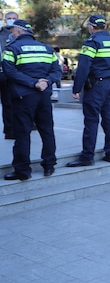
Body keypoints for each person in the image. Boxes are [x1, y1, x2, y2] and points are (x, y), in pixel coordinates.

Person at [2, 20, 61, 181]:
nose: (11, 34)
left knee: (22, 133)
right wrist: (46, 82)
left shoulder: (12, 48)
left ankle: (22, 171)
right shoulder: (47, 49)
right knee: (47, 131)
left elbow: (8, 70)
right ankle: (49, 166)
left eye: (12, 31)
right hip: (43, 96)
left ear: (20, 32)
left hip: (24, 97)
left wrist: (32, 83)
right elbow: (57, 70)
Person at [68, 14, 110, 167]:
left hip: (96, 86)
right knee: (109, 120)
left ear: (92, 27)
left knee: (91, 121)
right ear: (105, 27)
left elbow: (84, 67)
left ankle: (87, 156)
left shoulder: (92, 43)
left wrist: (76, 88)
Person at [0, 10, 19, 139]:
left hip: (6, 72)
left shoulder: (12, 34)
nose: (11, 20)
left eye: (14, 18)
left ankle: (10, 131)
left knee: (8, 103)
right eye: (9, 18)